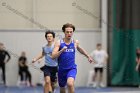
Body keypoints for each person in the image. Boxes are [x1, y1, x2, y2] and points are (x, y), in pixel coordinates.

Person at [52, 23, 93, 93]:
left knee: (70, 84)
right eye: (67, 32)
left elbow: (80, 49)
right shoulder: (59, 42)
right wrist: (61, 50)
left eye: (71, 32)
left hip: (71, 68)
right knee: (62, 88)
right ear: (64, 32)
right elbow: (53, 56)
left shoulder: (75, 42)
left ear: (73, 32)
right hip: (61, 70)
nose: (69, 33)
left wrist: (88, 56)